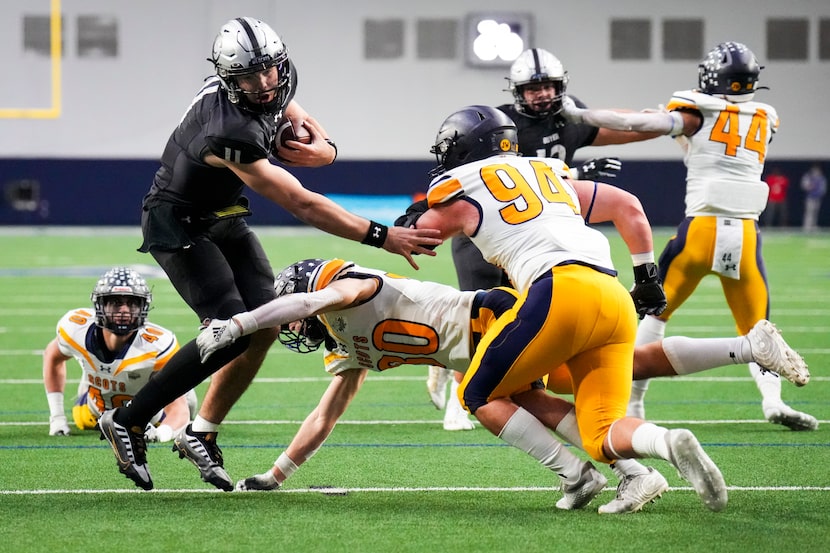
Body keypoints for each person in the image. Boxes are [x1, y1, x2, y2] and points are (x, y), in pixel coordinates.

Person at [97, 17, 441, 492]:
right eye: (248, 78)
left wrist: (326, 150)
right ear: (228, 79)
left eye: (269, 71)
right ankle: (129, 420)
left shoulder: (273, 78)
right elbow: (302, 203)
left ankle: (202, 430)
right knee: (233, 331)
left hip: (221, 212)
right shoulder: (229, 131)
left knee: (268, 320)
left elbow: (299, 117)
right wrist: (384, 237)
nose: (264, 85)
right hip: (177, 220)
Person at [197, 258, 806, 513]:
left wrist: (261, 315)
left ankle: (586, 473)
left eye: (295, 310)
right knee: (616, 368)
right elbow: (326, 414)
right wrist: (275, 475)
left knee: (483, 397)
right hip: (493, 339)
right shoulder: (342, 346)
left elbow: (329, 294)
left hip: (499, 320)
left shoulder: (342, 288)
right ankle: (742, 349)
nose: (298, 323)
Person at [410, 104, 731, 512]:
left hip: (557, 293)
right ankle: (665, 444)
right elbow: (627, 206)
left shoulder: (464, 188)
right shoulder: (550, 174)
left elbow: (419, 238)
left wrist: (415, 215)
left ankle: (574, 475)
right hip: (612, 295)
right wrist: (647, 277)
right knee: (602, 430)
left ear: (463, 148)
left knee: (477, 392)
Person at [562, 41, 818, 431]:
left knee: (651, 312)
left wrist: (578, 113)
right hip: (747, 235)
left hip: (701, 231)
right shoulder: (767, 116)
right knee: (758, 329)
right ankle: (772, 402)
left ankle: (633, 404)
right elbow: (722, 144)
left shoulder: (697, 112)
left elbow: (641, 124)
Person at [431, 48, 664, 429]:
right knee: (481, 312)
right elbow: (512, 179)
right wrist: (577, 170)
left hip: (538, 231)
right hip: (489, 228)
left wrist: (664, 122)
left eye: (548, 86)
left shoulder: (570, 117)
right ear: (517, 91)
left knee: (520, 314)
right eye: (533, 88)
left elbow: (620, 126)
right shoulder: (500, 125)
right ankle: (460, 396)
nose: (541, 94)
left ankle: (497, 382)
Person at [43, 267, 196, 442]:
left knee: (186, 399)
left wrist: (160, 434)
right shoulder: (76, 328)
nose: (124, 310)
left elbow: (178, 410)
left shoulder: (158, 345)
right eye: (115, 303)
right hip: (93, 413)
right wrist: (57, 418)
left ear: (142, 307)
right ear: (101, 305)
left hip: (150, 420)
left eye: (132, 303)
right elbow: (52, 355)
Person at [801, 163, 826, 232]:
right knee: (809, 212)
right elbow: (804, 186)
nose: (816, 171)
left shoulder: (821, 178)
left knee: (815, 212)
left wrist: (819, 193)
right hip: (810, 197)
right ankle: (807, 227)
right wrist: (810, 186)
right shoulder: (808, 176)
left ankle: (813, 226)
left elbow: (823, 188)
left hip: (817, 197)